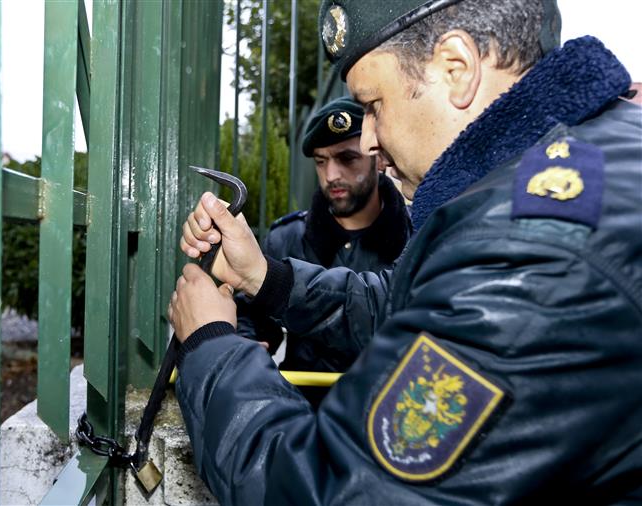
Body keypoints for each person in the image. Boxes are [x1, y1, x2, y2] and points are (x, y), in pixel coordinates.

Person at [169, 0, 642, 503]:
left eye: (373, 105)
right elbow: (401, 307)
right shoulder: (581, 161)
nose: (369, 139)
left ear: (455, 68)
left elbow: (324, 492)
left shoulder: (532, 251)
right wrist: (264, 276)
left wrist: (210, 344)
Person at [236, 97, 410, 399]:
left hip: (386, 415)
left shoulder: (414, 238)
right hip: (303, 414)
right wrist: (247, 343)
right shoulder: (287, 238)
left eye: (347, 158)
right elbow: (251, 317)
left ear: (377, 157)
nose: (331, 176)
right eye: (320, 161)